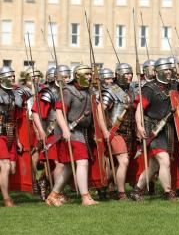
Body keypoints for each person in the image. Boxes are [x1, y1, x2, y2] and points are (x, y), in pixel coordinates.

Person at [45, 65, 99, 206]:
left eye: (90, 74)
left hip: (82, 132)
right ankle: (85, 197)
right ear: (78, 75)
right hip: (70, 130)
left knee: (69, 167)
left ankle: (52, 196)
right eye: (86, 74)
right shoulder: (67, 91)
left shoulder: (89, 92)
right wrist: (65, 130)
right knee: (82, 162)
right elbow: (59, 112)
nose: (89, 77)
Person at [132, 58, 179, 202]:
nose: (168, 72)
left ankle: (136, 191)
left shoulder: (173, 85)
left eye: (170, 69)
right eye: (165, 69)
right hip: (152, 128)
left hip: (166, 129)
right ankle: (168, 193)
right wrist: (139, 126)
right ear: (158, 71)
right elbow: (139, 108)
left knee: (153, 166)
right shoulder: (149, 88)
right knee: (164, 161)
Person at [32, 65, 71, 203]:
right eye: (64, 77)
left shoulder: (68, 91)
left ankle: (45, 182)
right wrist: (41, 131)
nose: (67, 79)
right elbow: (36, 113)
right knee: (58, 164)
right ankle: (56, 192)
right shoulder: (49, 92)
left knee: (63, 163)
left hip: (64, 132)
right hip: (52, 132)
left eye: (68, 76)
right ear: (56, 77)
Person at [98, 63, 136, 200]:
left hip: (129, 130)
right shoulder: (111, 90)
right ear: (119, 75)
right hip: (115, 130)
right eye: (126, 73)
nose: (129, 76)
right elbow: (100, 110)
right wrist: (105, 130)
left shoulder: (132, 90)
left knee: (114, 164)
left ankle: (104, 187)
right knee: (123, 161)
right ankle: (121, 193)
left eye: (131, 73)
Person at [0, 66, 19, 207]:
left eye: (13, 75)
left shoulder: (13, 93)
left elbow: (15, 117)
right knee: (5, 166)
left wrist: (17, 139)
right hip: (0, 133)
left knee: (12, 167)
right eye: (9, 76)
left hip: (11, 133)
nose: (13, 78)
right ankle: (7, 200)